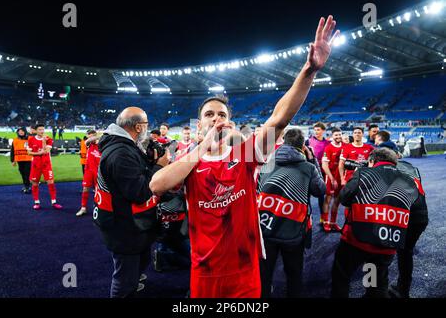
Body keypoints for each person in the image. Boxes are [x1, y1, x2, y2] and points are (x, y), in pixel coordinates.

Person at [150, 15, 339, 298]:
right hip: (205, 271)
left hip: (245, 270)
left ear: (230, 122)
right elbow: (156, 185)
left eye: (222, 115)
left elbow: (280, 118)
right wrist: (202, 147)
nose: (216, 119)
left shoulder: (245, 154)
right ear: (199, 123)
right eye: (209, 115)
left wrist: (309, 70)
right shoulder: (188, 160)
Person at [93, 107, 169, 298]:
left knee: (138, 263)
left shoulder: (124, 146)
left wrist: (150, 162)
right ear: (137, 127)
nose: (147, 129)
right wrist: (159, 167)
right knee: (124, 279)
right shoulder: (121, 153)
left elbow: (138, 175)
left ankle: (133, 282)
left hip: (131, 223)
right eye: (145, 125)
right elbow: (140, 192)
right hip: (124, 227)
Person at [331, 148, 425, 298]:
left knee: (341, 278)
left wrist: (357, 175)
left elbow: (345, 198)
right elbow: (418, 215)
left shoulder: (363, 173)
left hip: (355, 241)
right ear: (395, 163)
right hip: (385, 244)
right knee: (373, 282)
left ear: (372, 161)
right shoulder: (408, 180)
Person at [258, 128, 325, 297]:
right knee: (294, 275)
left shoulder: (268, 163)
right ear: (303, 146)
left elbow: (258, 188)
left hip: (265, 226)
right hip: (294, 230)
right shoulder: (307, 168)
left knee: (263, 276)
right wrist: (313, 161)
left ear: (284, 143)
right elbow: (320, 190)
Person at [376, 138, 429, 298]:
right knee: (405, 253)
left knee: (374, 252)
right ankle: (403, 290)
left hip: (397, 216)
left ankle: (374, 290)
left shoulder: (381, 168)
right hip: (419, 216)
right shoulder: (411, 166)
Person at [27, 124, 62, 210]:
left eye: (43, 129)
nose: (42, 131)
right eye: (40, 130)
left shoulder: (48, 139)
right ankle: (36, 202)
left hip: (46, 164)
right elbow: (29, 153)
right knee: (35, 183)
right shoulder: (31, 140)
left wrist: (43, 141)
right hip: (36, 164)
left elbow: (46, 151)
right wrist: (38, 153)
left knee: (51, 182)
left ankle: (54, 202)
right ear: (35, 130)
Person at [305, 122, 330, 223]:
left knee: (321, 194)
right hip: (310, 170)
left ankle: (322, 217)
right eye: (315, 130)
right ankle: (307, 217)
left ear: (323, 131)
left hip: (321, 172)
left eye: (318, 130)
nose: (316, 132)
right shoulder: (308, 141)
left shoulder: (328, 143)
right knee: (307, 194)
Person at [321, 127, 344, 232]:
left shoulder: (345, 146)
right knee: (328, 200)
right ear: (332, 136)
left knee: (337, 200)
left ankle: (333, 222)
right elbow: (324, 165)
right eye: (336, 135)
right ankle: (325, 222)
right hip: (330, 177)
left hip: (340, 178)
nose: (338, 137)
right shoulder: (328, 148)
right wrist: (332, 178)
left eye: (339, 135)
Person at [76, 131, 101, 217]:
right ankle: (83, 208)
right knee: (85, 189)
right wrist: (101, 134)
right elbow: (88, 141)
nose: (89, 139)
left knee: (99, 191)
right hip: (88, 171)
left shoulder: (102, 145)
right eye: (88, 137)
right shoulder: (88, 144)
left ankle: (99, 208)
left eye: (91, 137)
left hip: (99, 172)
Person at [10, 127, 33, 194]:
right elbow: (12, 151)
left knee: (27, 173)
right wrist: (12, 160)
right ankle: (26, 185)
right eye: (19, 131)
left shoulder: (30, 138)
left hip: (28, 159)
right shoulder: (15, 140)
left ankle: (28, 186)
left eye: (22, 131)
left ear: (25, 132)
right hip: (19, 160)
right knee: (22, 173)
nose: (21, 132)